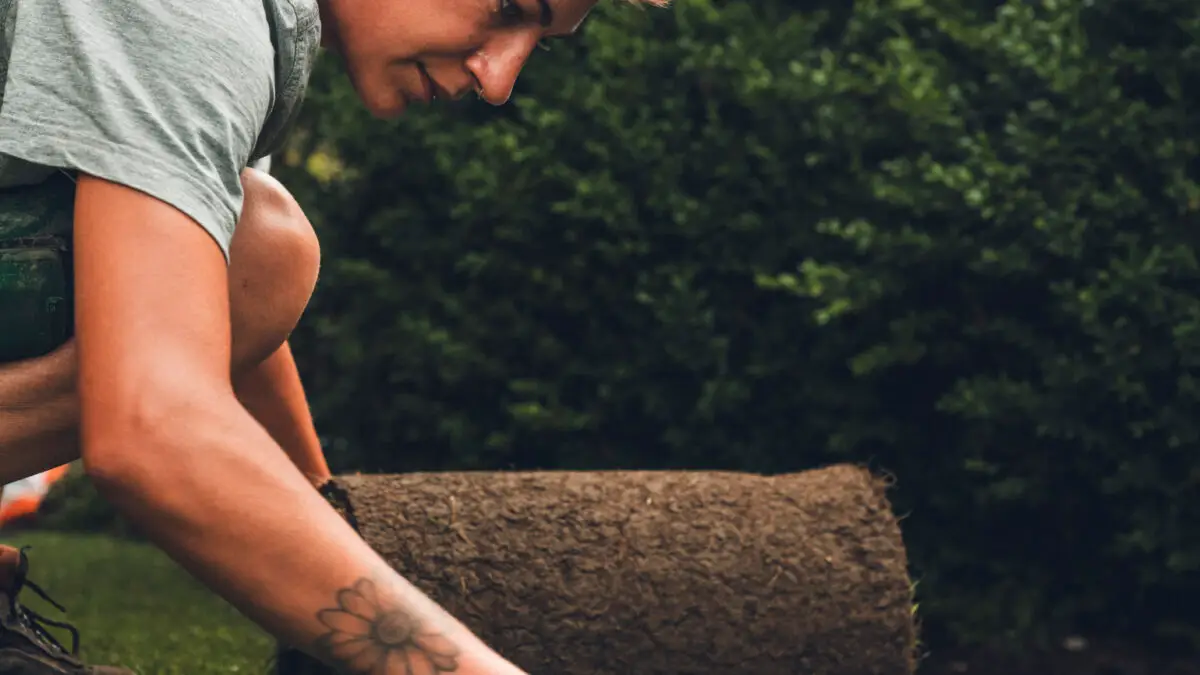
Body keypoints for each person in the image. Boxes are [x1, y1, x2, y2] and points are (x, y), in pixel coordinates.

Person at [0, 0, 665, 672]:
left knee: (250, 254)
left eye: (539, 44)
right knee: (270, 250)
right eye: (508, 8)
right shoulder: (195, 18)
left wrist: (333, 524)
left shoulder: (252, 28)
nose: (499, 79)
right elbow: (154, 425)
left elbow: (204, 300)